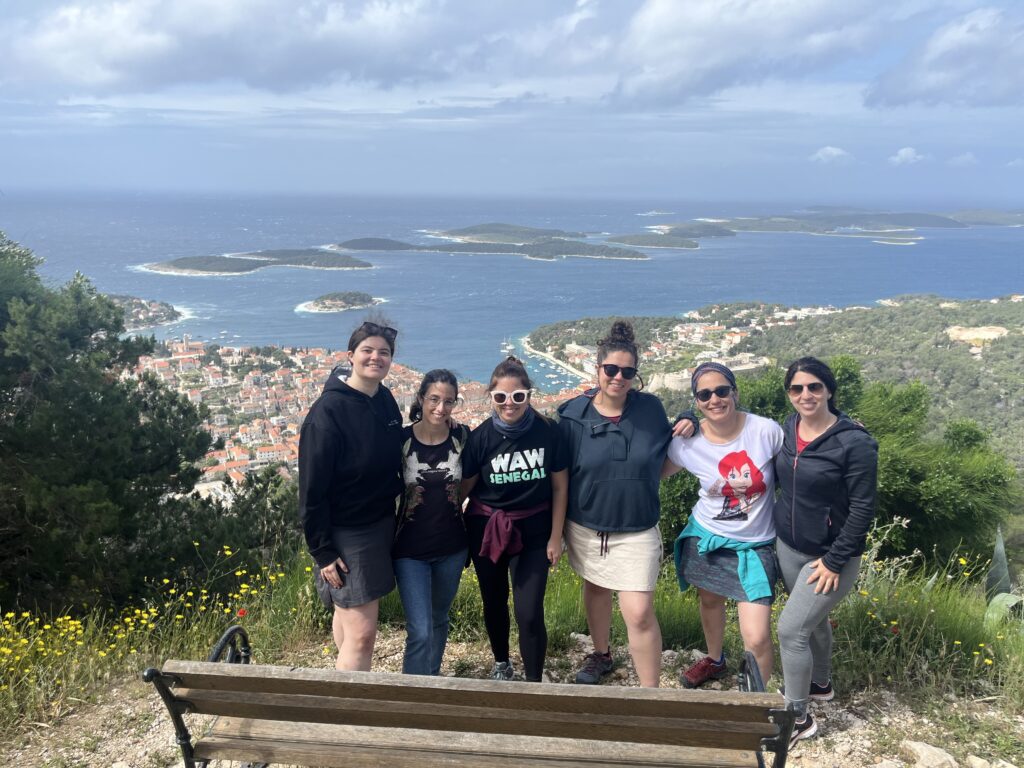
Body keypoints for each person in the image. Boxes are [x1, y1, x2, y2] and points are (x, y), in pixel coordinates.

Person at [557, 320, 671, 687]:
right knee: (595, 587)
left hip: (637, 527)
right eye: (611, 369)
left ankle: (650, 696)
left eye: (627, 371)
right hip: (586, 525)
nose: (618, 377)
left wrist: (688, 420)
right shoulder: (572, 415)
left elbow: (667, 454)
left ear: (635, 374)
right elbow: (559, 477)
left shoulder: (651, 410)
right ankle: (601, 653)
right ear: (597, 369)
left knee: (638, 612)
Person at [774, 357, 878, 747]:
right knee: (813, 622)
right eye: (797, 388)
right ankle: (820, 683)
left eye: (814, 387)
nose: (806, 395)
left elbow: (864, 508)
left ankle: (798, 718)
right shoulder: (787, 428)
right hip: (789, 545)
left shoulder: (855, 442)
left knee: (791, 630)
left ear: (829, 390)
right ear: (789, 394)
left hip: (831, 556)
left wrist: (836, 559)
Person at [662, 362, 784, 688]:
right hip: (707, 537)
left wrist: (841, 425)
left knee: (757, 636)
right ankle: (715, 660)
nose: (714, 399)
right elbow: (652, 470)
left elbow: (802, 457)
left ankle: (756, 700)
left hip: (754, 547)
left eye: (721, 390)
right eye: (704, 394)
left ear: (735, 392)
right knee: (710, 601)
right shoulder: (687, 443)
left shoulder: (765, 431)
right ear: (697, 402)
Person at [298, 321, 403, 671]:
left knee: (347, 619)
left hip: (379, 522)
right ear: (350, 356)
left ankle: (340, 690)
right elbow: (311, 490)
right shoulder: (327, 414)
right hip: (347, 533)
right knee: (363, 635)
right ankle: (346, 715)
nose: (376, 358)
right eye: (368, 351)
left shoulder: (384, 399)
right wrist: (323, 551)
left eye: (384, 353)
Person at [461, 357, 568, 682]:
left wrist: (555, 536)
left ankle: (534, 681)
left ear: (529, 396)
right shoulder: (480, 439)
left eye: (518, 396)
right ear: (491, 397)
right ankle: (501, 662)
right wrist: (457, 536)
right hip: (486, 528)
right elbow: (463, 491)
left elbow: (560, 486)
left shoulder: (548, 431)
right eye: (501, 397)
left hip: (534, 531)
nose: (510, 404)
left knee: (529, 611)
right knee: (493, 601)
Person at [393, 369, 470, 675]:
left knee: (439, 620)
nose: (441, 408)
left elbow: (476, 479)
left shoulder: (463, 437)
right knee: (421, 630)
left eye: (448, 401)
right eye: (434, 399)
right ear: (421, 398)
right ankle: (410, 701)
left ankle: (432, 682)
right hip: (409, 548)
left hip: (452, 547)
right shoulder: (401, 441)